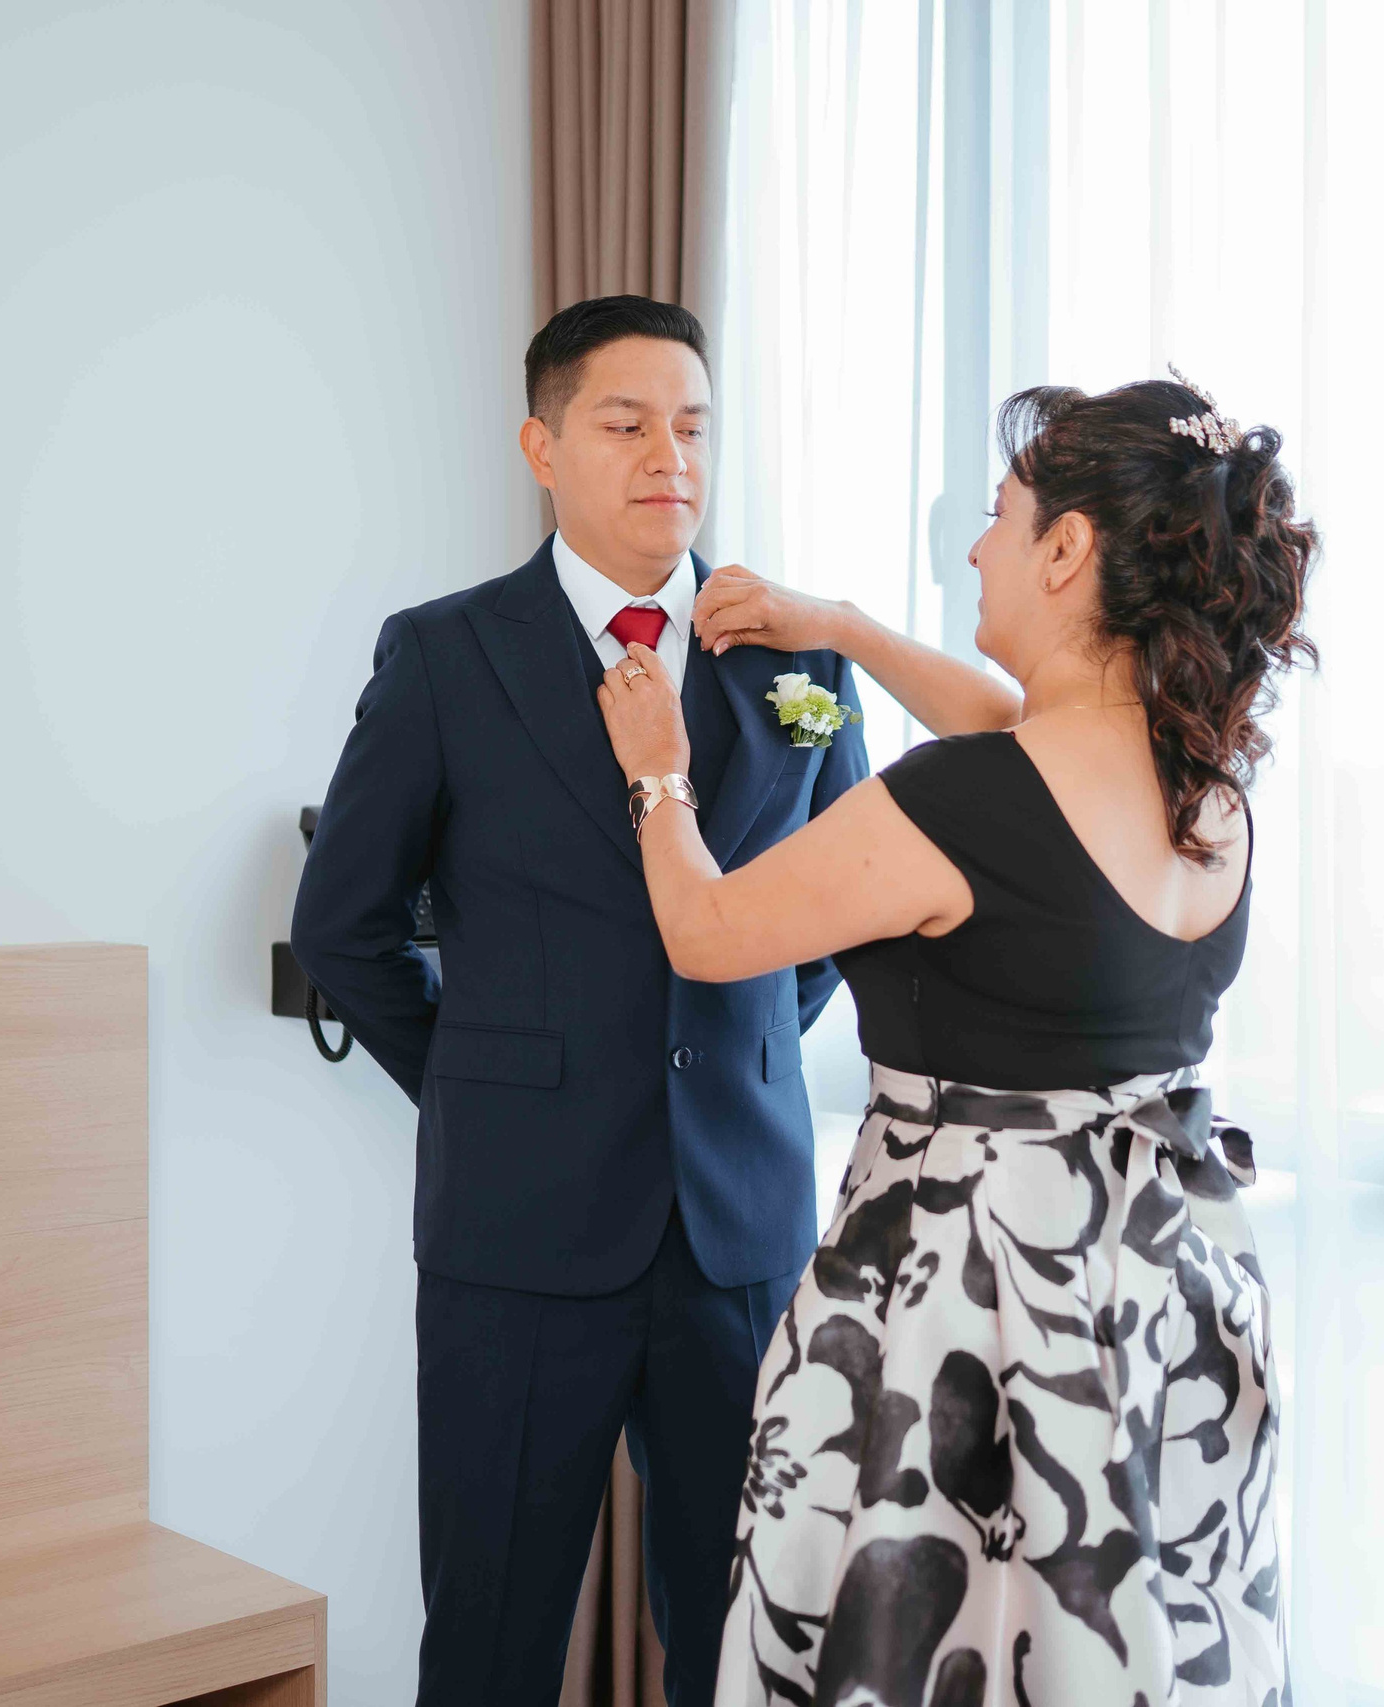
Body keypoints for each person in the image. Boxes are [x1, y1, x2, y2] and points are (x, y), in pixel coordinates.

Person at [595, 377, 1317, 1706]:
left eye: (999, 518)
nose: (978, 549)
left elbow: (703, 929)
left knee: (936, 1642)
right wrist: (847, 630)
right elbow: (1017, 735)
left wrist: (657, 769)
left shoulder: (959, 805)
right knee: (1095, 1634)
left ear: (1067, 550)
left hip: (967, 1297)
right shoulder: (1204, 787)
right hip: (1151, 1291)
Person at [290, 295, 871, 1706]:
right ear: (542, 447)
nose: (669, 454)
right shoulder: (445, 655)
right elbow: (344, 930)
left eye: (693, 426)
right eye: (627, 423)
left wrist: (723, 1053)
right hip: (517, 1240)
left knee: (748, 1648)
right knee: (490, 1644)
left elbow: (839, 910)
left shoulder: (797, 661)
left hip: (739, 1237)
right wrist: (490, 1078)